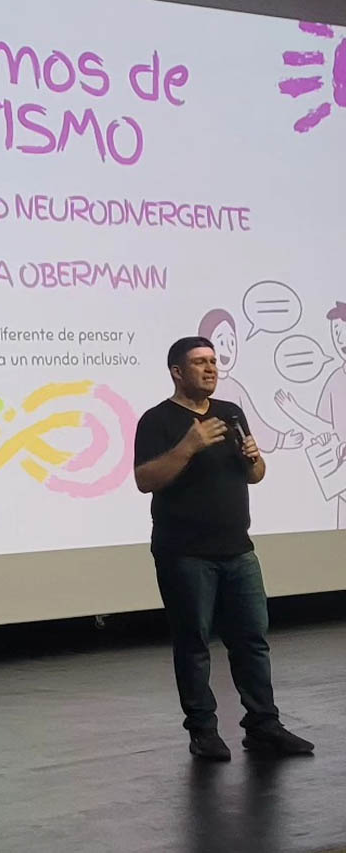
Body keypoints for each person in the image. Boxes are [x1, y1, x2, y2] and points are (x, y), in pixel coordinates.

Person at [133, 336, 314, 761]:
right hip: (184, 553)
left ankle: (263, 726)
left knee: (252, 640)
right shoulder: (157, 420)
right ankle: (203, 731)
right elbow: (145, 480)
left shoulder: (231, 412)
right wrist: (189, 446)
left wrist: (254, 458)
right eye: (200, 362)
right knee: (194, 644)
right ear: (177, 372)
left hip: (238, 549)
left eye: (213, 361)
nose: (211, 368)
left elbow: (256, 475)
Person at [276, 300, 346, 528]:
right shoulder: (335, 379)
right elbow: (325, 426)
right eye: (337, 333)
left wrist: (294, 410)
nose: (341, 340)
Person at [198, 308, 302, 452]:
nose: (228, 349)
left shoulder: (235, 391)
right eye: (221, 342)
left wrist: (280, 440)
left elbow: (255, 422)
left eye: (232, 343)